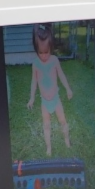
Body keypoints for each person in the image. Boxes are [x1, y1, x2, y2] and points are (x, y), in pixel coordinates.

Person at [27, 24, 74, 156]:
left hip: (56, 99)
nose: (43, 55)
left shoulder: (54, 60)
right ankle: (49, 147)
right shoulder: (35, 64)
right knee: (46, 124)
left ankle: (67, 141)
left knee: (62, 120)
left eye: (46, 52)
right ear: (36, 50)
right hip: (44, 102)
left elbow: (61, 75)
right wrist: (32, 98)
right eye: (40, 52)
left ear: (51, 48)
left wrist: (68, 89)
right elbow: (34, 82)